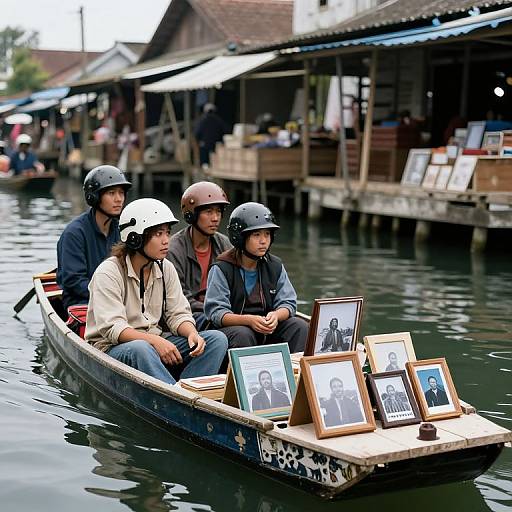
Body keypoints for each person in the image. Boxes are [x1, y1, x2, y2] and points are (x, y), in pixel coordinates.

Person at [85, 198, 228, 385]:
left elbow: (178, 313)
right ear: (135, 237)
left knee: (216, 340)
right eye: (158, 234)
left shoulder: (165, 268)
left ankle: (187, 391)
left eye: (168, 233)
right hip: (112, 347)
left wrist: (192, 333)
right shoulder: (108, 272)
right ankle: (176, 396)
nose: (166, 240)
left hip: (153, 341)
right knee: (141, 349)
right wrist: (154, 341)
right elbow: (114, 328)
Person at [204, 202, 308, 353]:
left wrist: (276, 315)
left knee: (299, 326)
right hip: (235, 333)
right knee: (243, 334)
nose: (263, 241)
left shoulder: (275, 265)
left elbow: (289, 303)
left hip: (267, 330)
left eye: (267, 234)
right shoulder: (221, 268)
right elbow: (216, 313)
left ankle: (295, 373)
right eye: (256, 234)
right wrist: (249, 321)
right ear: (240, 237)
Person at [57, 165, 131, 311]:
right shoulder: (74, 233)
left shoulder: (123, 230)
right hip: (83, 303)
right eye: (111, 193)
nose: (118, 199)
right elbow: (74, 281)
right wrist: (109, 295)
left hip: (118, 300)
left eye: (121, 193)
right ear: (94, 197)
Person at [168, 181, 231, 331]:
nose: (215, 218)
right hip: (187, 316)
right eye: (208, 212)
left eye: (218, 212)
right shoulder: (173, 250)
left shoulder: (225, 245)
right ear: (191, 215)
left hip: (220, 312)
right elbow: (178, 297)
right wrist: (214, 309)